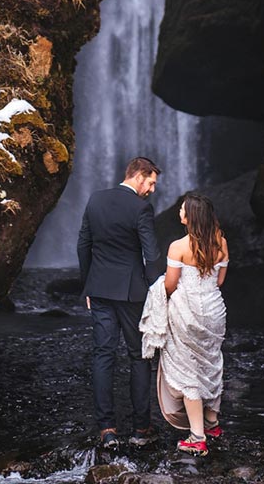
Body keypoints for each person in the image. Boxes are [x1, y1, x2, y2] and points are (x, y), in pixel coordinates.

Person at [77, 157, 161, 448]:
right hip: (131, 293)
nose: (151, 189)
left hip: (99, 289)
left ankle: (107, 429)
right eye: (150, 182)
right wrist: (158, 290)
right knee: (139, 356)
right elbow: (151, 256)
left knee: (103, 355)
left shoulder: (95, 200)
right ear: (138, 176)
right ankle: (140, 428)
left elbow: (83, 244)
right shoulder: (141, 208)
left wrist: (88, 284)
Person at [140, 192, 229, 457]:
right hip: (214, 311)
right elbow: (220, 281)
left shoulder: (178, 246)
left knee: (188, 369)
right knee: (211, 363)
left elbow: (169, 284)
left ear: (190, 216)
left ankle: (197, 437)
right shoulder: (221, 242)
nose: (179, 212)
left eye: (182, 209)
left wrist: (158, 296)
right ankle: (212, 423)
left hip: (185, 313)